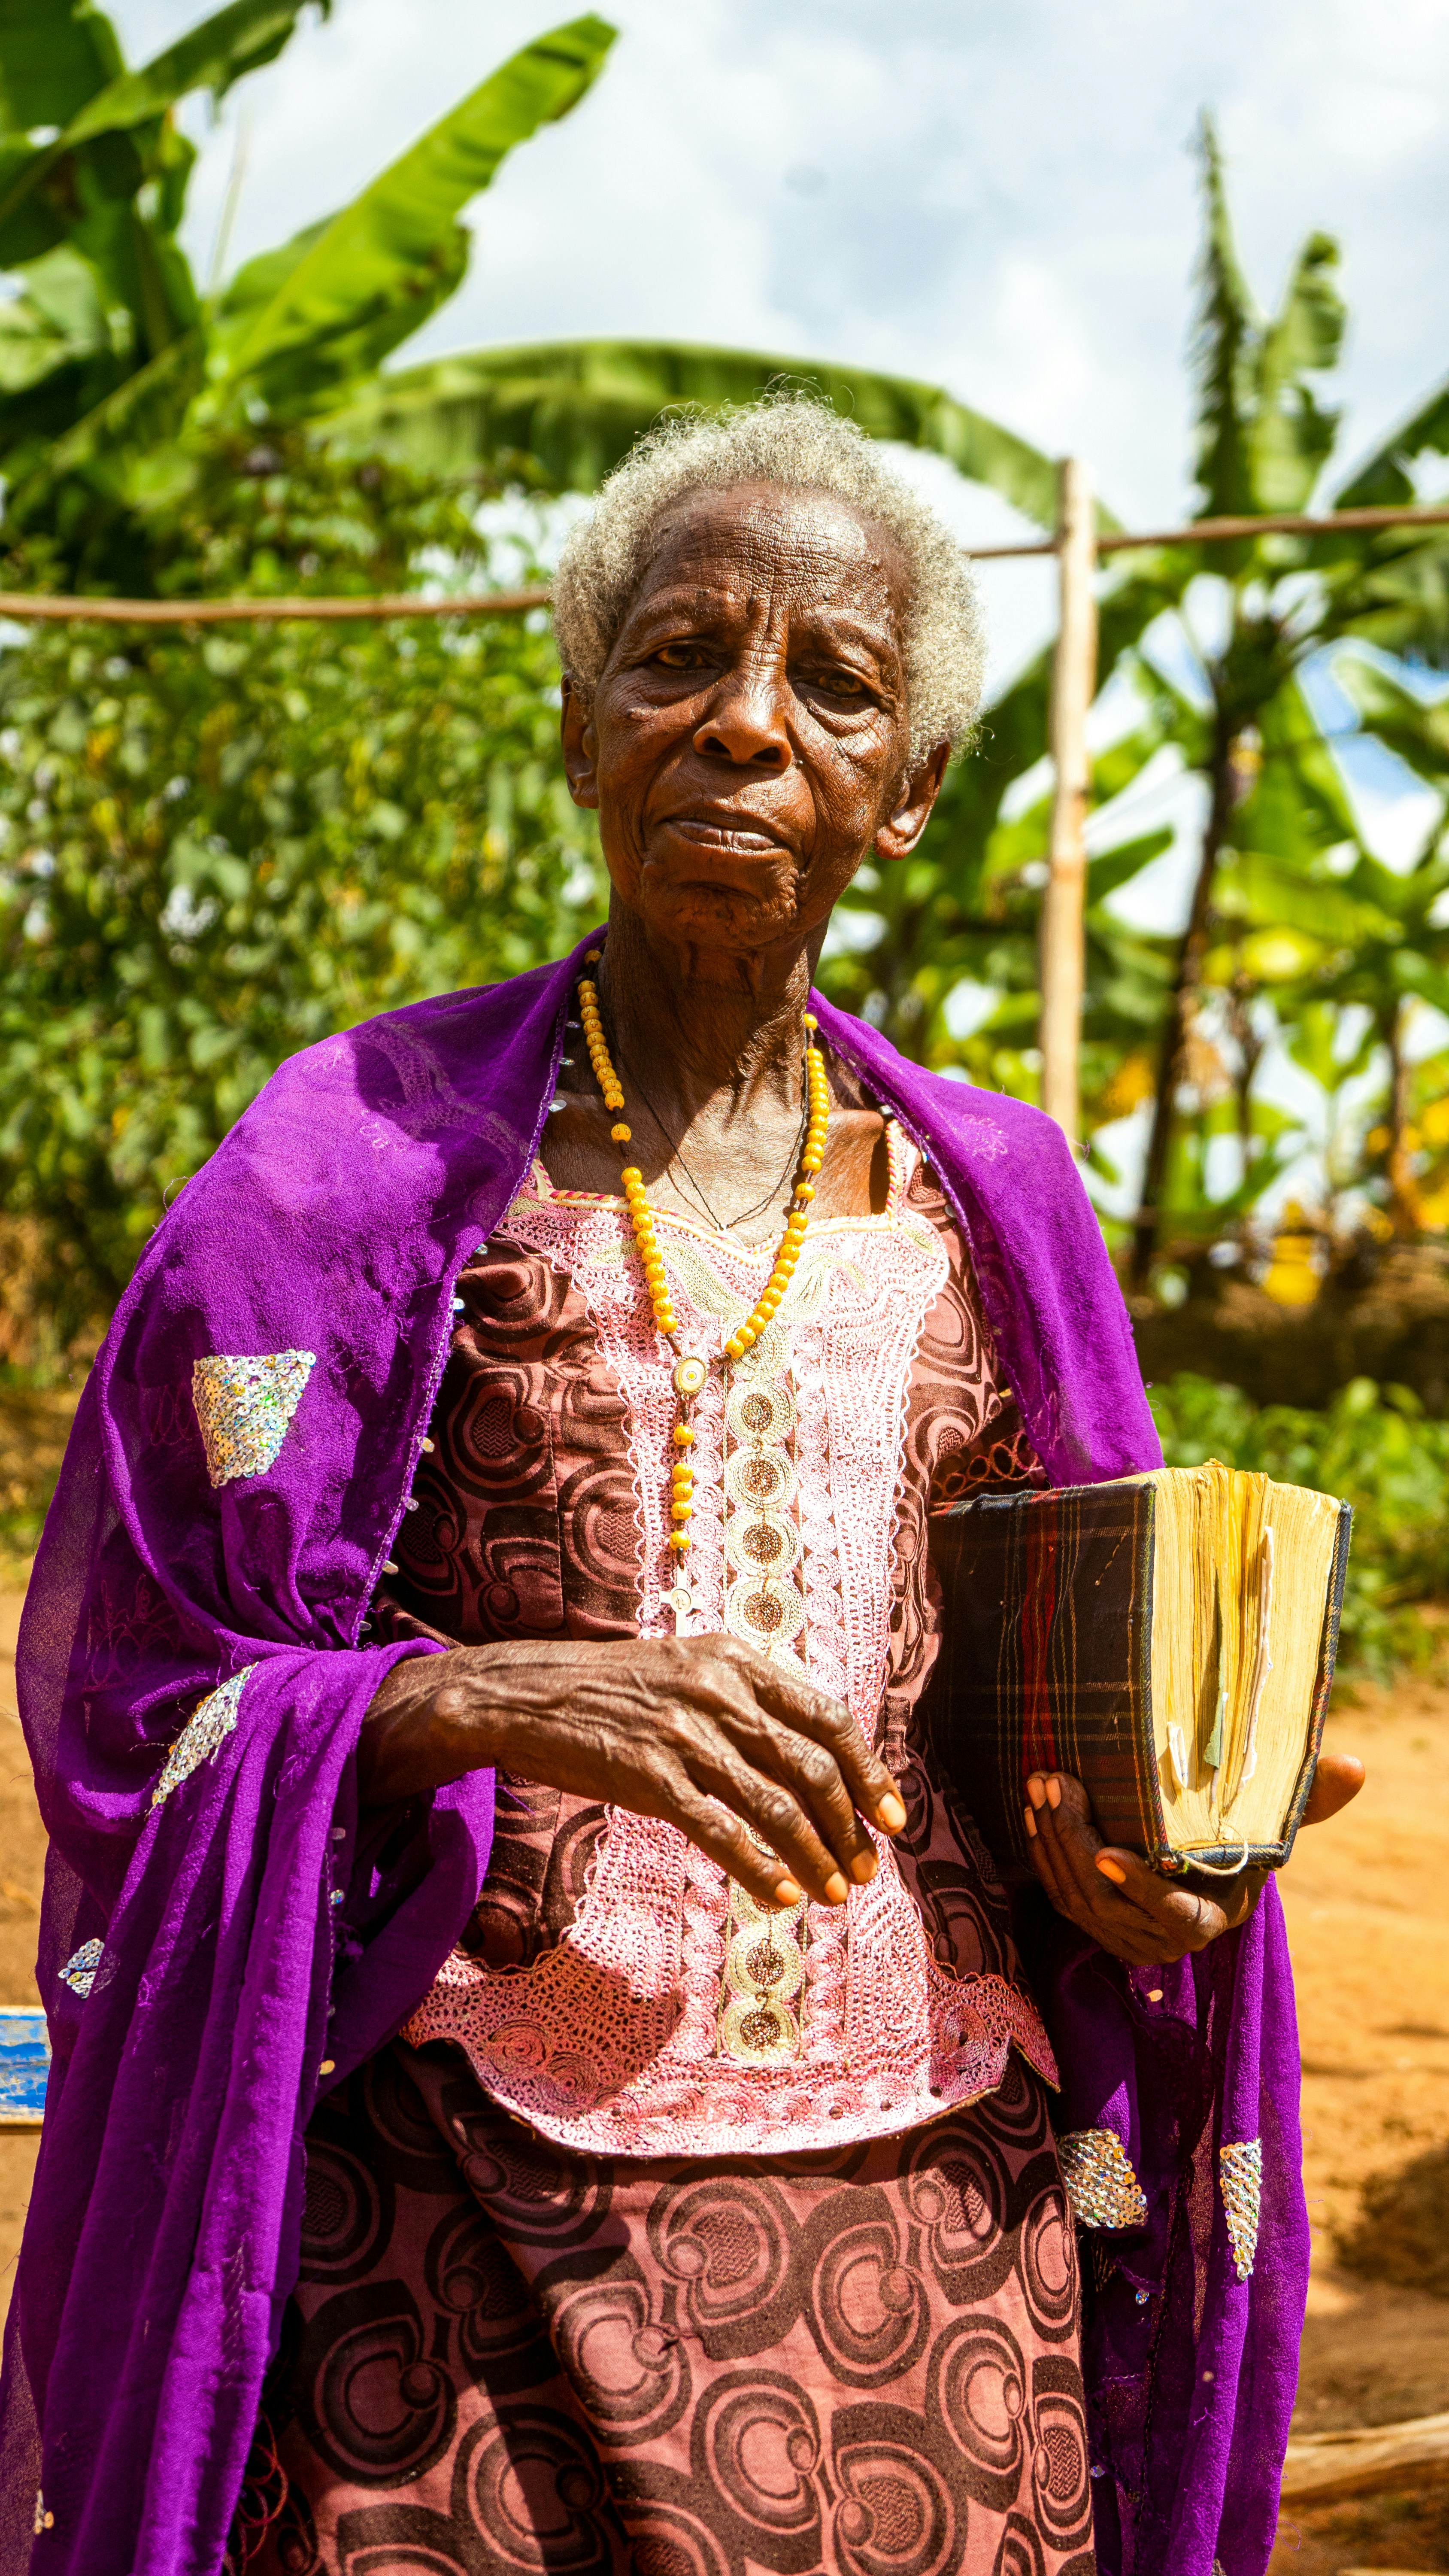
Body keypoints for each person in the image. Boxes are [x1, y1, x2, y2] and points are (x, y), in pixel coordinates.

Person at [2, 399, 1362, 2576]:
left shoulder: (996, 1199)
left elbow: (1058, 1693)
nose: (742, 726)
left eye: (831, 684)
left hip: (933, 2240)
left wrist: (1155, 1847)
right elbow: (143, 1685)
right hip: (449, 2239)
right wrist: (470, 1697)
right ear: (579, 726)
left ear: (909, 794)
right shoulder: (340, 1161)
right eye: (676, 658)